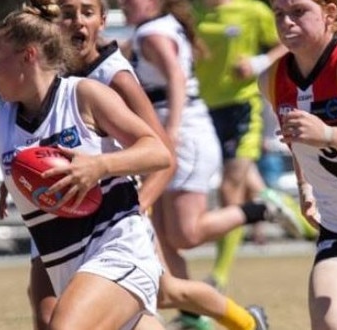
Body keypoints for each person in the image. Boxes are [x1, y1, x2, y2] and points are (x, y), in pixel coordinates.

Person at [15, 1, 268, 329]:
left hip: (114, 213)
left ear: (102, 20)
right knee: (47, 311)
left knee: (165, 292)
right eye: (67, 14)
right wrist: (18, 178)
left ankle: (248, 322)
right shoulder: (52, 71)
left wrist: (138, 206)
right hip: (60, 209)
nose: (77, 22)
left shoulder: (113, 76)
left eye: (87, 13)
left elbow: (165, 157)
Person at [0, 1, 172, 328]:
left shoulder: (84, 96)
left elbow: (158, 152)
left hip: (119, 246)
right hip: (68, 265)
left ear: (29, 56)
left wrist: (100, 166)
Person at [120, 0, 283, 327]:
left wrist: (173, 130)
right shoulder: (155, 29)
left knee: (185, 235)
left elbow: (177, 79)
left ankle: (260, 209)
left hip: (184, 139)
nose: (124, 4)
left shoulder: (153, 32)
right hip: (178, 136)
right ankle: (193, 318)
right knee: (164, 241)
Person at [194, 0, 302, 295]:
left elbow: (286, 43)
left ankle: (218, 277)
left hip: (242, 108)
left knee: (230, 189)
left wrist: (258, 63)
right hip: (203, 110)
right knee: (254, 190)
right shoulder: (193, 12)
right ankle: (307, 228)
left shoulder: (253, 10)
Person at [258, 0, 337, 327]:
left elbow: (317, 136)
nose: (287, 22)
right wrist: (304, 188)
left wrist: (328, 134)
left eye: (298, 11)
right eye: (279, 14)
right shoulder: (272, 79)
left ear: (330, 14)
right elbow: (299, 141)